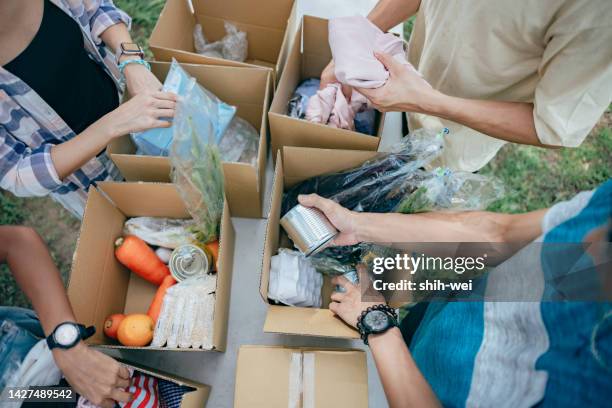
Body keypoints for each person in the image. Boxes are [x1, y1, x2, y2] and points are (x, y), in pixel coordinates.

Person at [297, 178, 612, 407]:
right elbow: (498, 235)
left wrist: (377, 323)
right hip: (445, 322)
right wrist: (357, 225)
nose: (593, 238)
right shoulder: (606, 207)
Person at [321, 0, 612, 172]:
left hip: (456, 135)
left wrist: (426, 101)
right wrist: (361, 37)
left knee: (421, 190)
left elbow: (551, 126)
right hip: (408, 82)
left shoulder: (598, 14)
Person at [0, 0, 177, 217]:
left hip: (137, 112)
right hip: (92, 177)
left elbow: (99, 10)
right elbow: (15, 173)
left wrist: (132, 63)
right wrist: (113, 124)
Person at [0, 226, 132, 407]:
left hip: (23, 365)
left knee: (104, 390)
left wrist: (67, 347)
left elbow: (15, 242)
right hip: (13, 397)